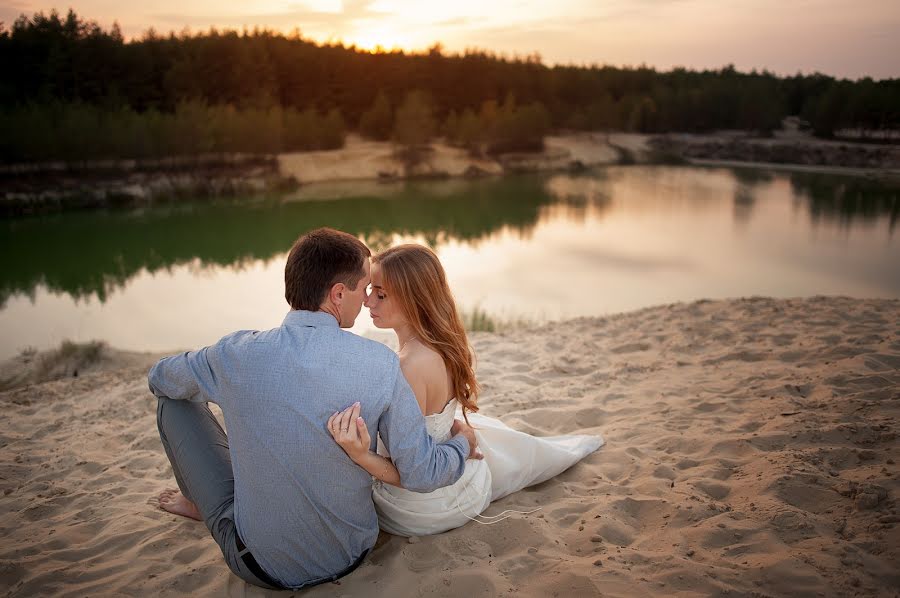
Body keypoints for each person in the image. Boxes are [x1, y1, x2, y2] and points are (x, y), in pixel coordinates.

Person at [149, 228, 481, 590]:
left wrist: (231, 387)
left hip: (262, 568)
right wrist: (462, 442)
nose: (367, 300)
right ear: (338, 294)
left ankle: (198, 502)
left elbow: (160, 379)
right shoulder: (381, 364)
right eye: (363, 288)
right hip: (354, 553)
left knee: (173, 402)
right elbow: (421, 473)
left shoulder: (236, 354)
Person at [328, 244, 603, 536]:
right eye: (370, 289)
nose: (369, 302)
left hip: (417, 509)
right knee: (483, 431)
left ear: (414, 299)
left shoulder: (407, 367)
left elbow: (413, 475)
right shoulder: (442, 345)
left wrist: (361, 456)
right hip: (443, 487)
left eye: (381, 295)